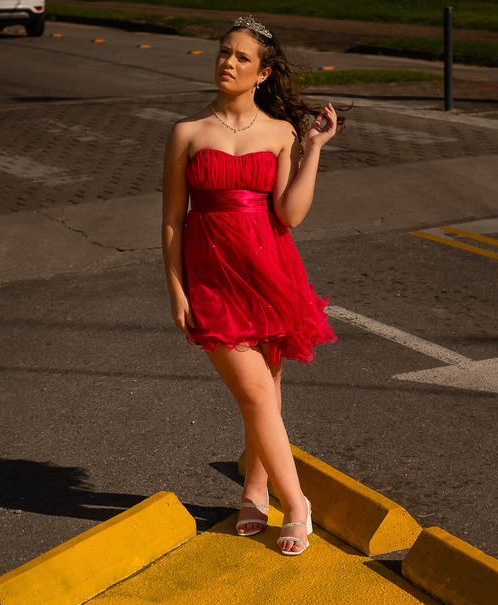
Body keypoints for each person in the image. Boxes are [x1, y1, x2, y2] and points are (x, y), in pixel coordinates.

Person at [161, 15, 341, 556]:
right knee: (258, 394)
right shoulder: (187, 133)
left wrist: (314, 149)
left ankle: (256, 489)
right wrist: (177, 289)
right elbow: (172, 219)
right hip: (212, 278)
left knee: (265, 397)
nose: (228, 63)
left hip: (272, 272)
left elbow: (289, 214)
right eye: (223, 52)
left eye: (241, 58)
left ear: (261, 73)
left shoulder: (282, 132)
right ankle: (298, 504)